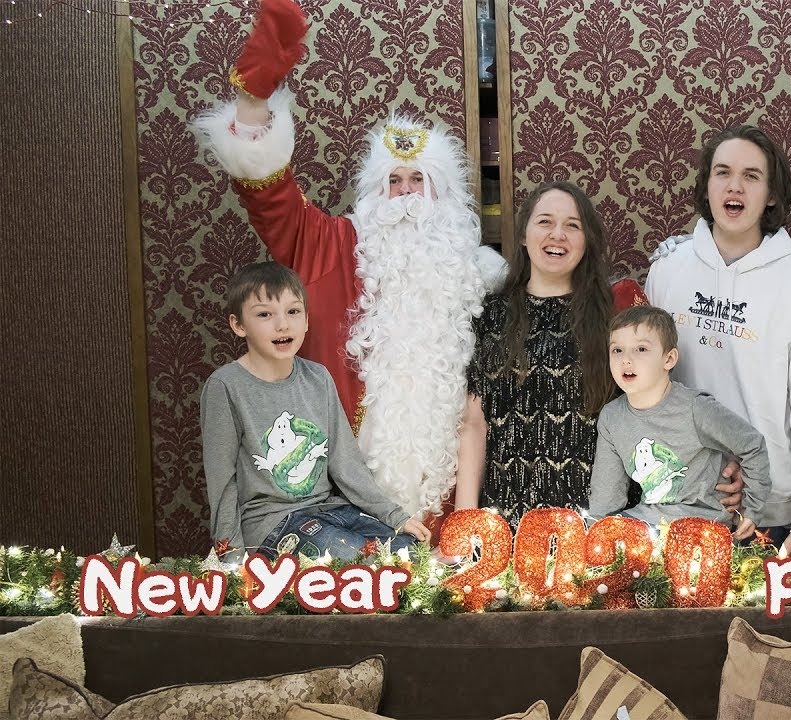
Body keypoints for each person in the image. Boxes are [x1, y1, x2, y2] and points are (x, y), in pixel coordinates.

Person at [193, 0, 505, 526]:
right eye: (393, 182)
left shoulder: (479, 277)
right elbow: (273, 203)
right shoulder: (332, 246)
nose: (405, 195)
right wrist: (253, 103)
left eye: (419, 181)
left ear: (445, 195)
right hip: (335, 506)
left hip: (453, 503)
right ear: (373, 193)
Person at [645, 125, 791, 554]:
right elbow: (647, 392)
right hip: (678, 507)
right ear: (707, 185)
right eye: (723, 172)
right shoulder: (668, 271)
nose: (735, 186)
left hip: (768, 518)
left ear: (770, 194)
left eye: (752, 176)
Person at [200, 262, 430, 560]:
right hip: (272, 523)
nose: (282, 325)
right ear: (238, 324)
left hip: (331, 510)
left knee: (410, 551)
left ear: (307, 320)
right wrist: (230, 558)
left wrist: (394, 516)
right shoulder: (226, 386)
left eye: (293, 311)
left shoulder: (318, 378)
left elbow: (345, 463)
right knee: (363, 559)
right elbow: (222, 481)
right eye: (265, 314)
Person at [454, 182, 647, 523]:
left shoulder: (615, 318)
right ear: (524, 235)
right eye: (545, 221)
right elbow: (474, 424)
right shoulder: (489, 315)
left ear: (586, 241)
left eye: (573, 225)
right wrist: (464, 522)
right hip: (506, 521)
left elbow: (646, 415)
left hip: (595, 522)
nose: (558, 234)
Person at [589, 306, 771, 539]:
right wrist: (597, 538)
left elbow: (752, 445)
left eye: (641, 349)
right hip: (648, 522)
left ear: (669, 359)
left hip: (702, 525)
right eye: (617, 350)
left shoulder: (696, 408)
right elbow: (606, 493)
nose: (626, 359)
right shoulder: (612, 417)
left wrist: (752, 510)